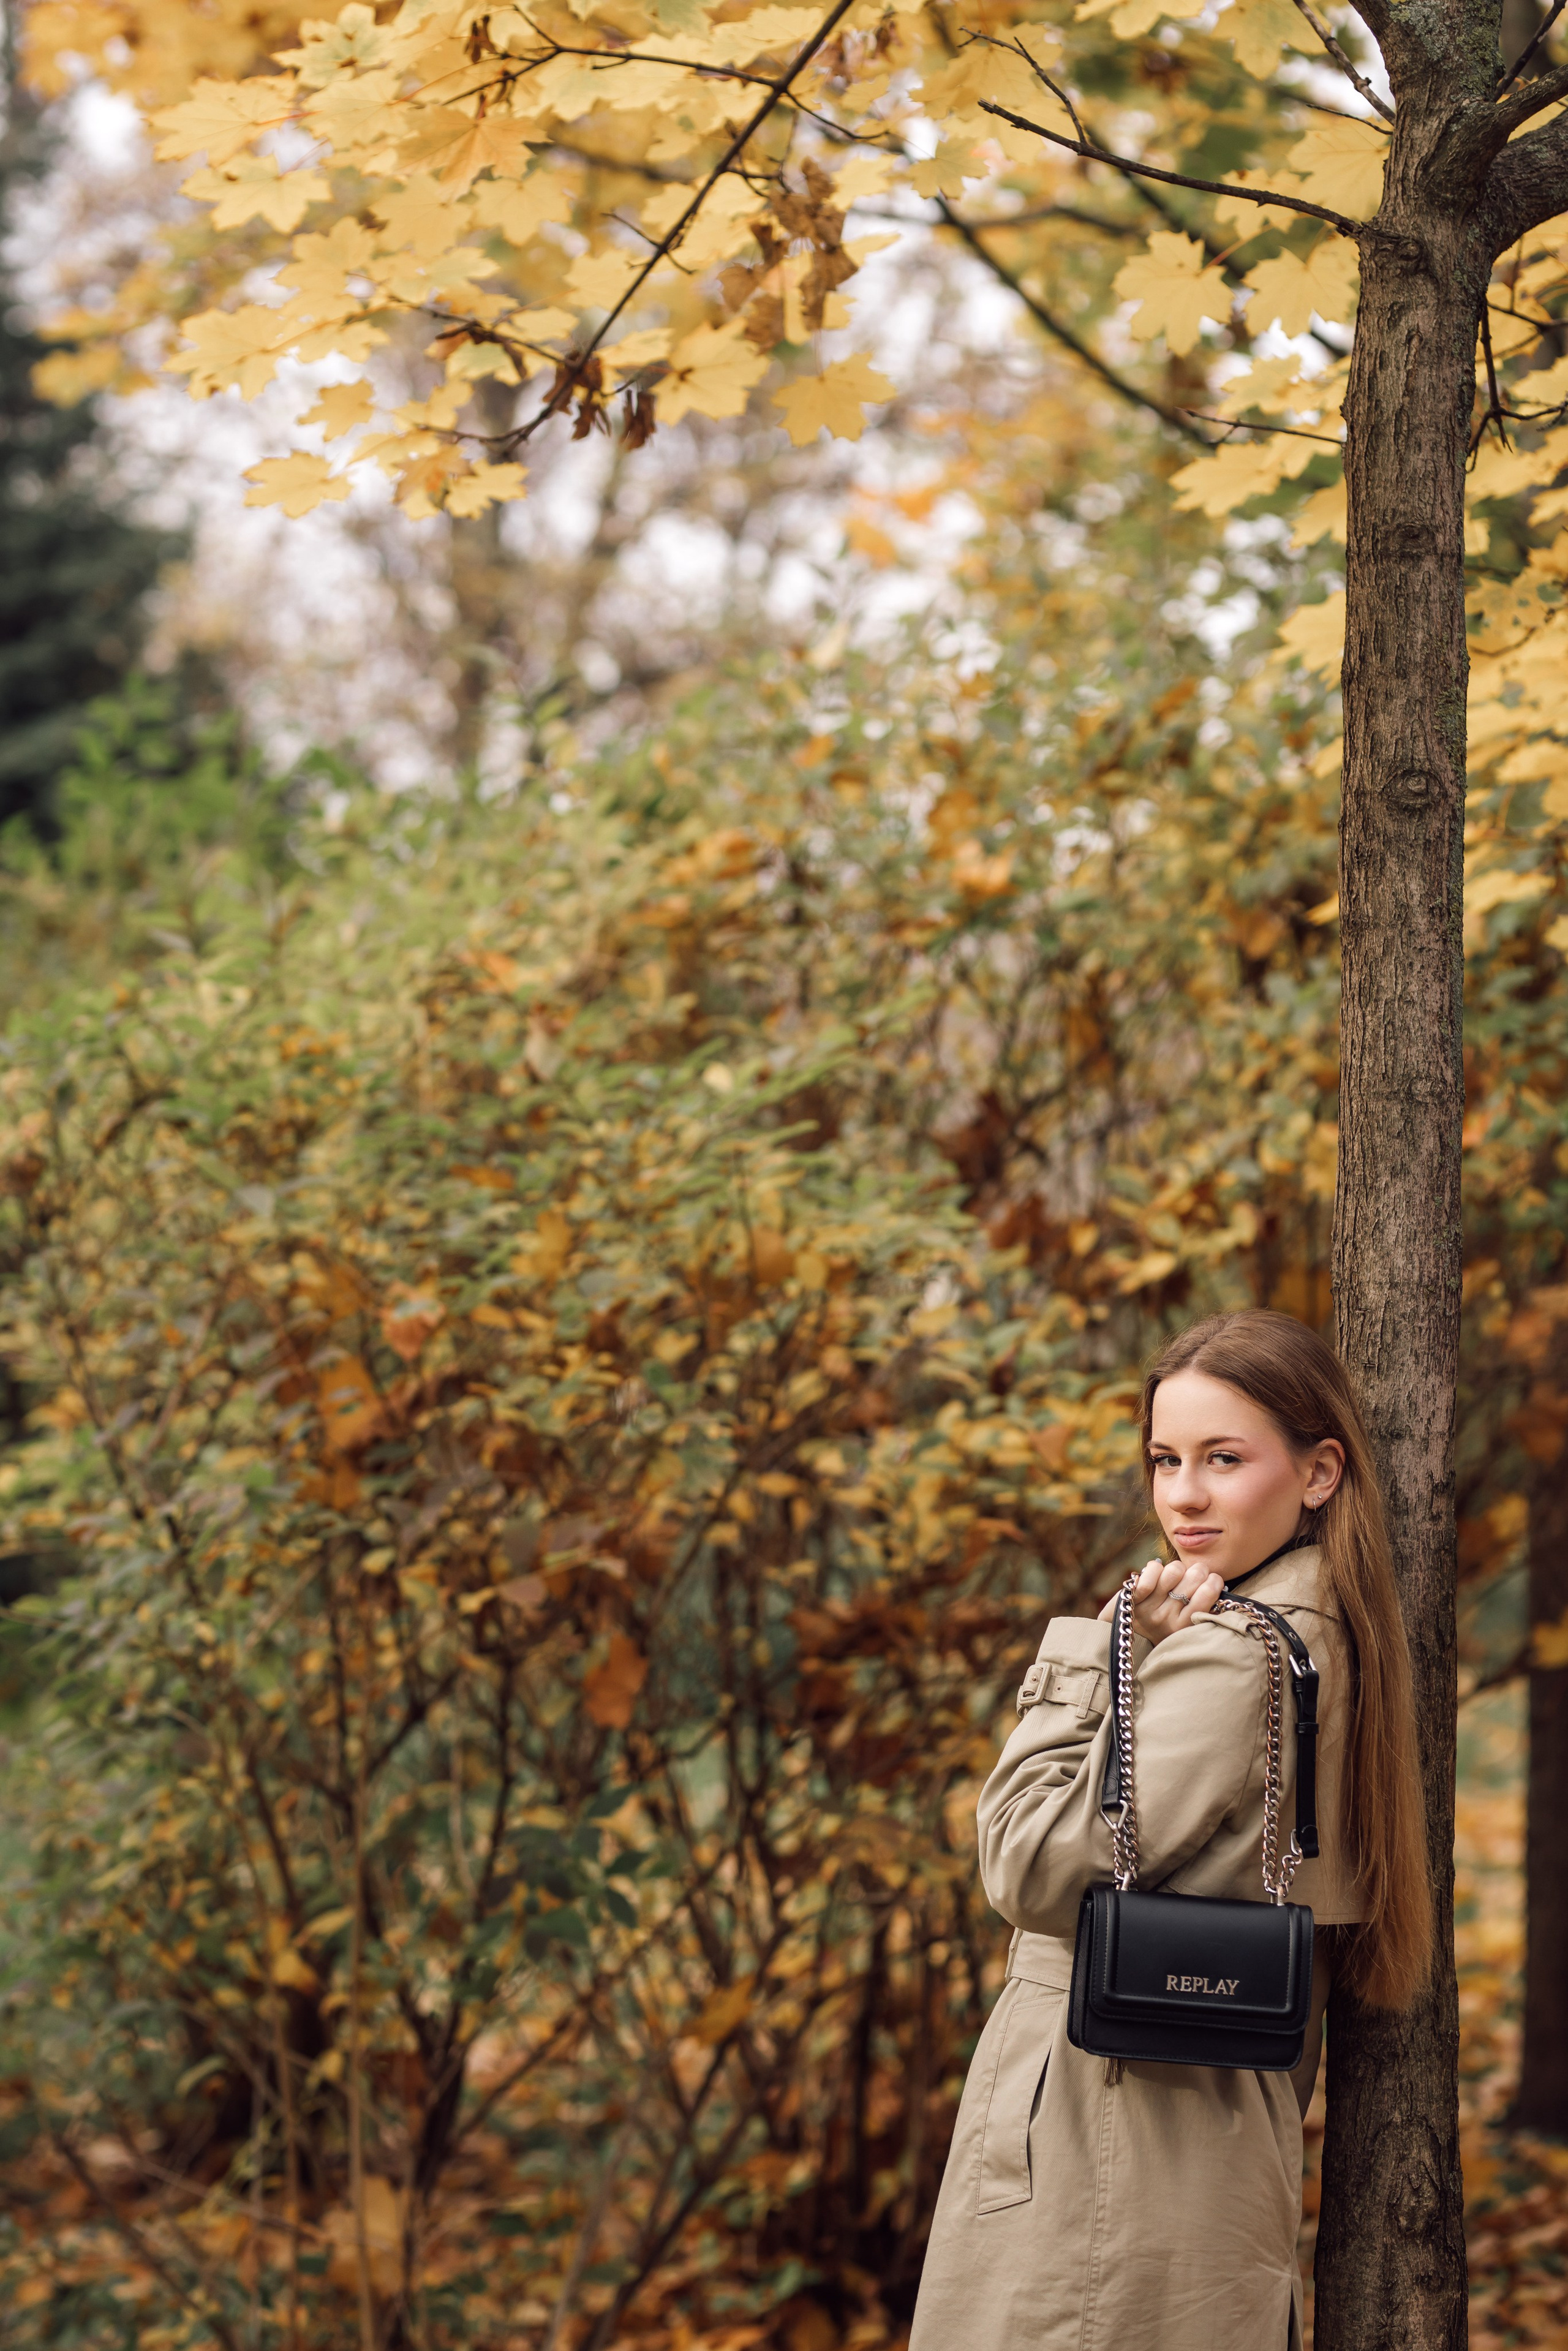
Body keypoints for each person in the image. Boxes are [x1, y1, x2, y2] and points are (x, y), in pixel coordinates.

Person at [908, 1309, 1431, 2351]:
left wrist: (1089, 1654)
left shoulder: (1233, 1654)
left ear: (1319, 1473)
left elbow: (1026, 1862)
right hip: (1172, 2129)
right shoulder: (1322, 1628)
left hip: (1110, 2137)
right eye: (1164, 1459)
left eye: (1223, 1458)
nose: (1183, 1496)